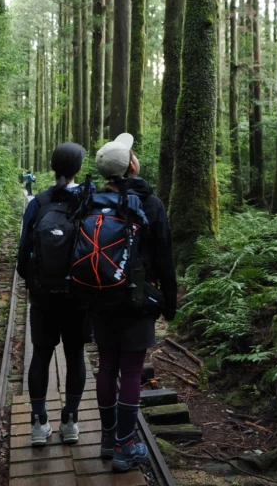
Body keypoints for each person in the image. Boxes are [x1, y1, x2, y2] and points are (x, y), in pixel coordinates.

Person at [89, 133, 177, 472]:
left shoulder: (94, 201)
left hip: (100, 297)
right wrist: (170, 301)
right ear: (132, 165)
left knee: (107, 364)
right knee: (130, 369)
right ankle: (127, 445)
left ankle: (108, 439)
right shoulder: (150, 203)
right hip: (138, 297)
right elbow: (165, 255)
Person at [16, 144, 89, 446]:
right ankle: (70, 421)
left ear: (52, 167)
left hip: (44, 295)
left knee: (41, 355)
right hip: (77, 294)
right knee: (75, 355)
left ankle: (37, 423)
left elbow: (22, 256)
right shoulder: (88, 201)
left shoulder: (39, 202)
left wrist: (34, 280)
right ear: (78, 169)